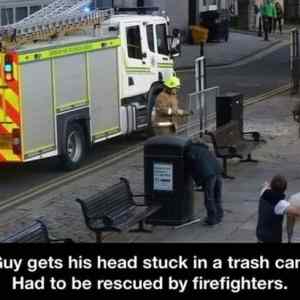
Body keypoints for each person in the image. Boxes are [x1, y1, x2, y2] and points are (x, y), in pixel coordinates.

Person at [187, 141, 224, 226]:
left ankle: (212, 219)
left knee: (209, 197)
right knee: (217, 195)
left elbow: (193, 169)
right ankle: (219, 215)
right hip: (217, 170)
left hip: (208, 175)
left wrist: (198, 183)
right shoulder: (203, 148)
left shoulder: (189, 153)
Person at [256, 175, 300, 243]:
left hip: (260, 235)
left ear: (271, 185)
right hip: (272, 239)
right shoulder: (281, 204)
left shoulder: (263, 192)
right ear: (285, 189)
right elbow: (297, 212)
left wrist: (266, 185)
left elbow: (264, 186)